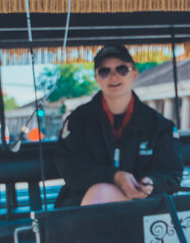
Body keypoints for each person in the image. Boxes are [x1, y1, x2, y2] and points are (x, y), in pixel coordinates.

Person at [54, 44, 183, 208]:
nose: (113, 76)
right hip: (84, 204)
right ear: (97, 78)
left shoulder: (159, 125)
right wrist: (113, 177)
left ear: (134, 74)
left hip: (143, 206)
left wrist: (151, 183)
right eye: (104, 71)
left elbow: (171, 174)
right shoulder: (78, 121)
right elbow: (71, 169)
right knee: (101, 193)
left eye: (122, 70)